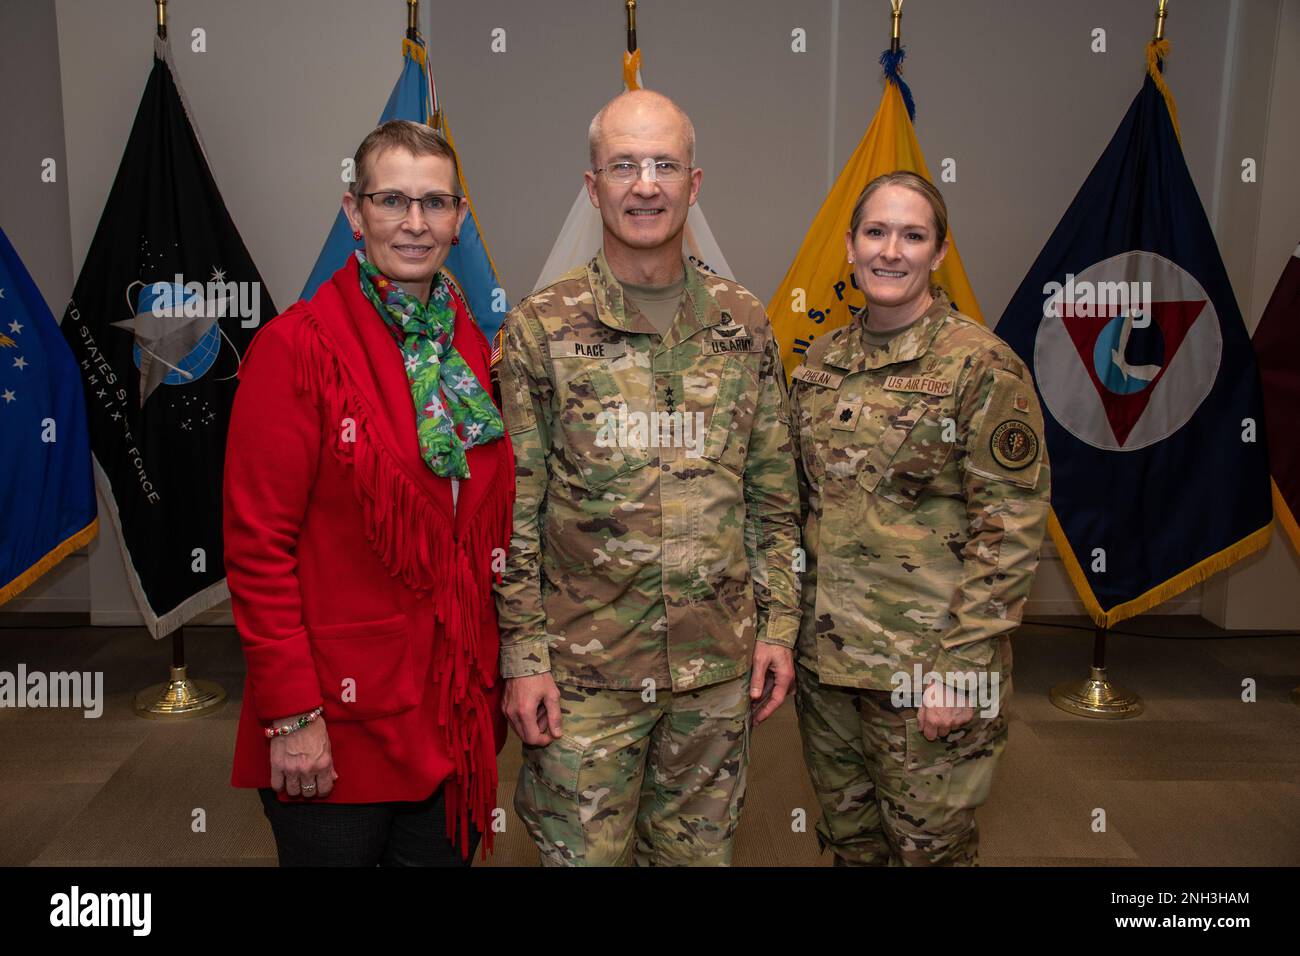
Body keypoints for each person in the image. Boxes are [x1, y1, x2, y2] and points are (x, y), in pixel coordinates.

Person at [492, 89, 802, 866]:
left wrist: (780, 626)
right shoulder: (542, 328)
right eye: (623, 165)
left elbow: (773, 495)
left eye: (665, 164)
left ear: (694, 185)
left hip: (714, 672)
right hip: (584, 677)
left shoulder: (743, 322)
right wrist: (524, 658)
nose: (646, 184)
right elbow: (514, 514)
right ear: (593, 187)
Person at [223, 119, 514, 866]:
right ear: (354, 212)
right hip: (340, 718)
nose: (416, 224)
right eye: (392, 200)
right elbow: (258, 550)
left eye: (437, 203)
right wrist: (292, 716)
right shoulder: (298, 347)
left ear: (459, 219)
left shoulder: (469, 345)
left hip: (450, 712)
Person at [790, 171, 1050, 866]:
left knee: (929, 851)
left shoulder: (981, 366)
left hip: (927, 670)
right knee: (850, 843)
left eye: (913, 235)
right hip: (830, 667)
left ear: (939, 252)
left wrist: (961, 670)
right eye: (876, 232)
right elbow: (802, 507)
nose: (891, 251)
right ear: (850, 246)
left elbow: (1011, 526)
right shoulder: (821, 362)